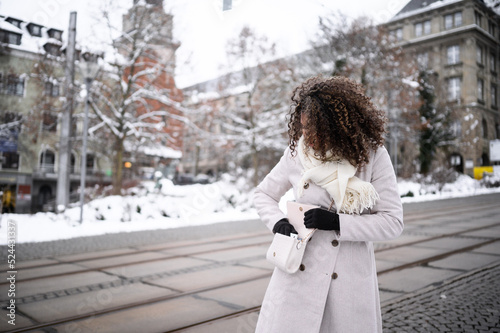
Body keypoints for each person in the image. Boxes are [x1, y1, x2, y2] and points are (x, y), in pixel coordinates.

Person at [253, 75, 403, 332]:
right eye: (303, 128)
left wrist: (337, 222)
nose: (307, 137)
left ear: (336, 126)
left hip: (347, 284)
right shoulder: (296, 155)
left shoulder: (372, 155)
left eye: (314, 129)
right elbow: (262, 194)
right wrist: (278, 222)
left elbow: (393, 222)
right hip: (296, 277)